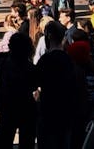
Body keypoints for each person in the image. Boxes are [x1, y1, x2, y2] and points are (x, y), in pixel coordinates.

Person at [34, 20, 81, 148]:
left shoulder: (45, 60)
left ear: (48, 36)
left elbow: (34, 82)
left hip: (48, 110)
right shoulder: (69, 60)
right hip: (66, 110)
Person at [0, 32, 37, 149]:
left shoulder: (2, 64)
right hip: (26, 106)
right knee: (27, 142)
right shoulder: (30, 68)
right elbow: (34, 85)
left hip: (7, 106)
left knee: (4, 141)